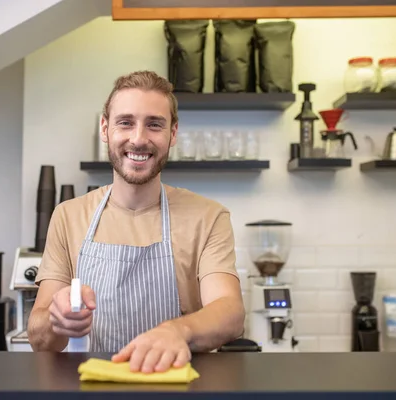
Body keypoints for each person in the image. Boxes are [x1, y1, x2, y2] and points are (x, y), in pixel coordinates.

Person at [27, 70, 245, 373]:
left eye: (154, 124)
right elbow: (39, 339)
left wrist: (177, 331)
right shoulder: (68, 216)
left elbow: (231, 312)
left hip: (180, 389)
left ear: (173, 133)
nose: (139, 139)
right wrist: (57, 317)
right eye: (125, 122)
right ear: (105, 128)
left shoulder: (208, 217)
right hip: (93, 389)